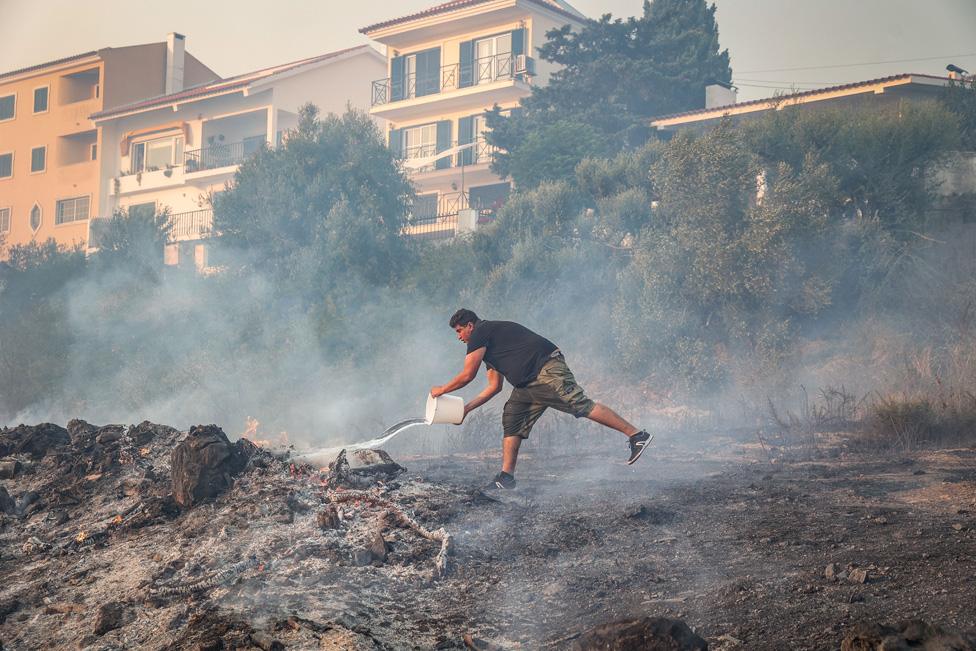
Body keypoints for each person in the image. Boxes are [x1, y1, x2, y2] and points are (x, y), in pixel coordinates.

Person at [430, 309, 652, 489]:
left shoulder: (481, 332)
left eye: (459, 331)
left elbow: (468, 375)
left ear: (470, 325)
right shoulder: (490, 348)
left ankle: (637, 435)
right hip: (526, 385)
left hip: (546, 369)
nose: (459, 337)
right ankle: (506, 478)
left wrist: (442, 389)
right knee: (512, 419)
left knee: (579, 404)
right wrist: (466, 410)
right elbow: (494, 387)